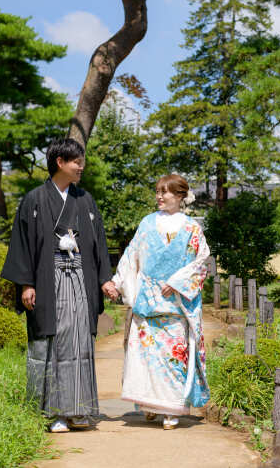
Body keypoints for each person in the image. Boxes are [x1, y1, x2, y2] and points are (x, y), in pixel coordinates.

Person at [1, 138, 119, 433]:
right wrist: (27, 283)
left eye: (81, 162)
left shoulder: (85, 200)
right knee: (51, 343)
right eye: (77, 162)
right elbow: (23, 245)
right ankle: (53, 413)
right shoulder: (34, 200)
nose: (82, 167)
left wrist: (105, 278)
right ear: (60, 163)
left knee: (80, 341)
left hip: (80, 279)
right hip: (47, 278)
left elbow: (98, 244)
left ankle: (79, 411)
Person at [108, 174, 210, 430]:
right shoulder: (147, 223)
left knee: (173, 359)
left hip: (175, 303)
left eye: (165, 192)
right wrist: (118, 282)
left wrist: (176, 282)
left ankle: (171, 409)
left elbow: (201, 262)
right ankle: (149, 405)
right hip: (148, 299)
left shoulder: (192, 228)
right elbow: (131, 255)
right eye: (157, 191)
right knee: (146, 358)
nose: (159, 197)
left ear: (180, 196)